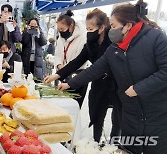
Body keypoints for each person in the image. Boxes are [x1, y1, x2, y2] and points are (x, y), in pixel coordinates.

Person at [53, 0, 167, 153]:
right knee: (129, 148)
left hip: (155, 111)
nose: (110, 30)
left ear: (127, 26)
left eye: (113, 26)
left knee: (153, 148)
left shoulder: (156, 38)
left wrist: (138, 89)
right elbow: (95, 69)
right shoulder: (115, 48)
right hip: (130, 111)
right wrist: (70, 84)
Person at [44, 9, 122, 143]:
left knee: (117, 117)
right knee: (96, 113)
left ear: (102, 27)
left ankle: (114, 144)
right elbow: (77, 62)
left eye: (91, 29)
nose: (88, 32)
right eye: (87, 29)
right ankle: (96, 141)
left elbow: (95, 68)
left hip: (116, 83)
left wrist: (70, 83)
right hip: (98, 82)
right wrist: (56, 75)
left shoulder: (112, 44)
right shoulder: (90, 44)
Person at [54, 10, 88, 108]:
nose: (60, 31)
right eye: (59, 29)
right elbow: (58, 54)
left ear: (71, 26)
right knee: (63, 105)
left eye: (62, 29)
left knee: (74, 105)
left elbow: (79, 60)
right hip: (65, 73)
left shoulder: (83, 37)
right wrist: (59, 65)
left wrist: (66, 68)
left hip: (78, 75)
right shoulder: (61, 38)